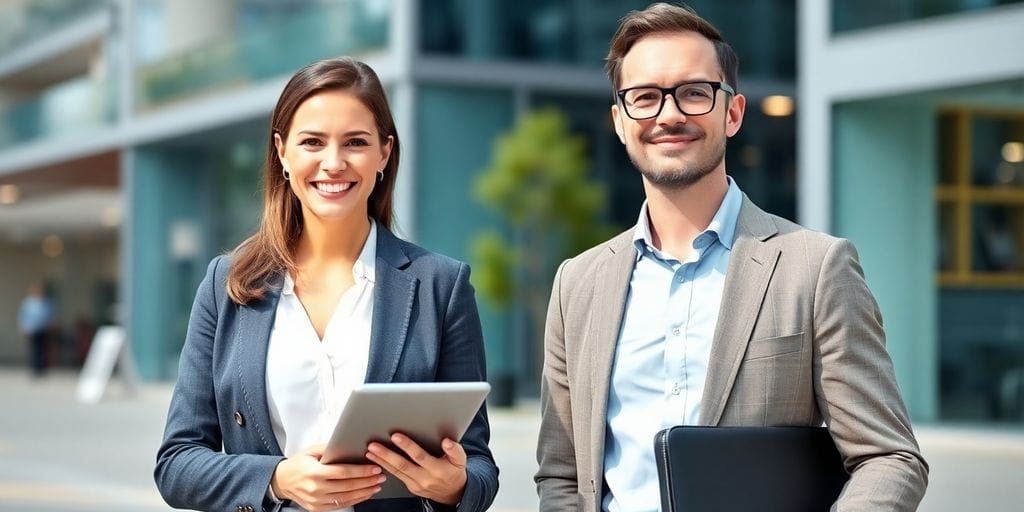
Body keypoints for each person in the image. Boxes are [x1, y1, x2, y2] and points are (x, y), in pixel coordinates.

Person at [534, 3, 928, 511]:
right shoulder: (577, 283)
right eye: (645, 97)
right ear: (620, 120)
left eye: (695, 93)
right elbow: (561, 474)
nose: (668, 114)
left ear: (733, 112)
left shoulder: (816, 268)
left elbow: (890, 457)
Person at [155, 57, 498, 512]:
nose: (333, 164)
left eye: (355, 142)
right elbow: (177, 465)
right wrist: (277, 479)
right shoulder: (228, 284)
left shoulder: (442, 286)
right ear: (282, 152)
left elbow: (479, 468)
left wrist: (451, 485)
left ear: (384, 153)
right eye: (312, 142)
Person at [18, 282, 53, 377]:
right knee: (33, 349)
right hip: (32, 329)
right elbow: (23, 316)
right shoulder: (27, 303)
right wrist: (24, 327)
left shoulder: (46, 302)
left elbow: (50, 315)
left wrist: (50, 324)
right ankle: (34, 369)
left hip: (43, 329)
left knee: (42, 349)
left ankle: (41, 369)